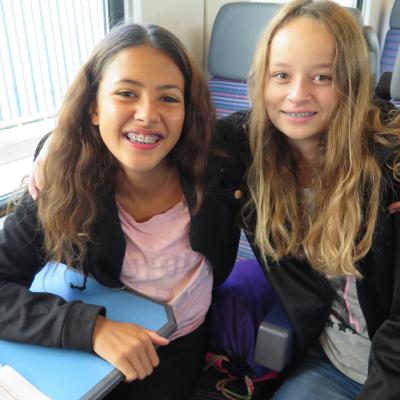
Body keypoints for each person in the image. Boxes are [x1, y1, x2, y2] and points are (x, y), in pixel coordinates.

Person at [0, 23, 244, 400]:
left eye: (168, 98)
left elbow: (284, 121)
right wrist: (91, 329)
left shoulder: (221, 163)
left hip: (177, 345)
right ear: (94, 107)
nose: (147, 114)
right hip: (92, 341)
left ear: (187, 111)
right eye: (127, 93)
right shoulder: (63, 184)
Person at [220, 0, 400, 399]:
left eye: (322, 77)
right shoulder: (249, 150)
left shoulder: (390, 169)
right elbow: (167, 143)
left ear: (352, 83)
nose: (297, 94)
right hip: (335, 366)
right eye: (281, 75)